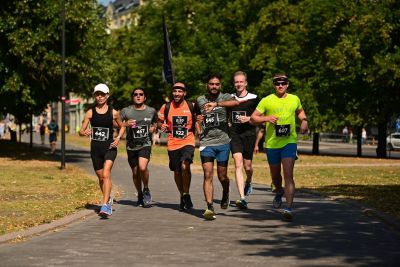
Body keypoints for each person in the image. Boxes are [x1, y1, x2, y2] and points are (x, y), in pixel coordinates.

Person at [250, 74, 308, 221]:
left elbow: (300, 111)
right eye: (277, 83)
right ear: (274, 85)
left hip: (289, 142)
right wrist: (266, 118)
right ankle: (278, 190)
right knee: (276, 177)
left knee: (288, 174)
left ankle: (288, 208)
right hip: (272, 144)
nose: (280, 85)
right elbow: (253, 117)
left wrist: (304, 121)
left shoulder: (294, 98)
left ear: (287, 84)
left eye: (283, 83)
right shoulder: (267, 100)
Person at [197, 73, 240, 220]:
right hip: (206, 142)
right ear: (207, 85)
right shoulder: (200, 100)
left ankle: (226, 191)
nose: (214, 86)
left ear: (220, 85)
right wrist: (199, 120)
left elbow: (236, 103)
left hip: (223, 142)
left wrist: (216, 104)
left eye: (216, 84)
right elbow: (197, 118)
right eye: (211, 84)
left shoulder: (225, 97)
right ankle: (209, 207)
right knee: (207, 174)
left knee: (222, 176)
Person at [79, 83, 125, 218]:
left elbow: (122, 126)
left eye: (102, 94)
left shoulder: (114, 112)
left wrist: (118, 138)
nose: (100, 97)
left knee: (106, 175)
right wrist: (84, 132)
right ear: (95, 96)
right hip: (95, 149)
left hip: (110, 147)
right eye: (97, 94)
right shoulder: (90, 112)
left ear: (107, 96)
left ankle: (105, 205)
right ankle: (108, 198)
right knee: (101, 178)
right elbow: (81, 130)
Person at [158, 82, 196, 211]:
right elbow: (159, 121)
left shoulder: (191, 106)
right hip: (173, 143)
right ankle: (182, 195)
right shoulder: (166, 107)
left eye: (180, 91)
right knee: (177, 171)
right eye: (175, 91)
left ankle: (186, 193)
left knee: (185, 165)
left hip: (188, 141)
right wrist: (160, 126)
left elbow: (199, 118)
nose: (177, 93)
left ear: (184, 93)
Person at [120, 88, 157, 208]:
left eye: (141, 94)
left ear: (144, 97)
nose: (138, 96)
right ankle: (140, 194)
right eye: (135, 94)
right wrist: (125, 124)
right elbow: (115, 122)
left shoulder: (151, 111)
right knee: (135, 172)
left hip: (145, 144)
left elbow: (156, 122)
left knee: (142, 167)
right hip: (131, 146)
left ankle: (146, 189)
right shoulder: (126, 111)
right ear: (133, 97)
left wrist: (154, 128)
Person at [227, 71, 259, 209]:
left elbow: (260, 118)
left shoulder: (255, 98)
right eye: (236, 82)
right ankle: (242, 197)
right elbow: (225, 113)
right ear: (234, 84)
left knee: (247, 166)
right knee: (237, 164)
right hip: (234, 135)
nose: (239, 84)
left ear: (245, 83)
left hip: (249, 134)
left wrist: (250, 119)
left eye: (241, 81)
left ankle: (249, 180)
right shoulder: (229, 98)